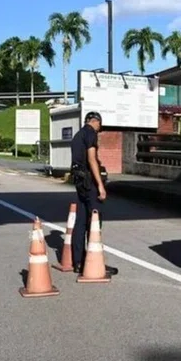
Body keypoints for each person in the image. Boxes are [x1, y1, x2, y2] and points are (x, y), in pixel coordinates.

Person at [69, 112, 117, 276]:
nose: (99, 129)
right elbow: (91, 159)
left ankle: (78, 262)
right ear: (95, 121)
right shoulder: (90, 133)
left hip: (79, 182)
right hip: (89, 182)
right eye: (99, 125)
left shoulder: (77, 135)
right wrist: (100, 185)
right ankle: (93, 261)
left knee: (81, 221)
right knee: (95, 221)